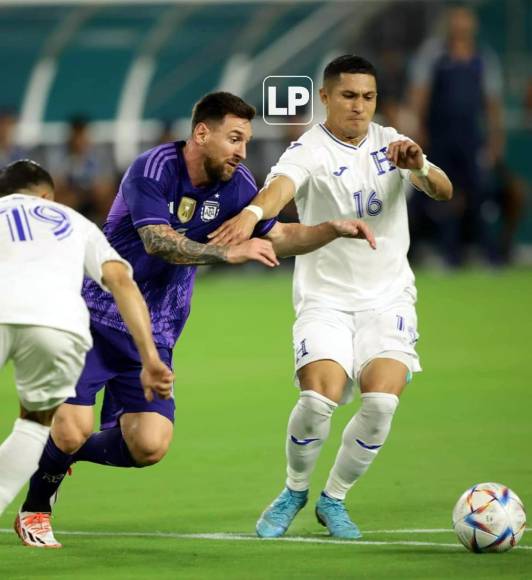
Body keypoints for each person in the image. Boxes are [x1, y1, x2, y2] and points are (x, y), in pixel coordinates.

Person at [17, 92, 375, 547]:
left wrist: (329, 230)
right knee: (73, 427)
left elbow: (278, 235)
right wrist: (227, 251)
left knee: (149, 445)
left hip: (155, 332)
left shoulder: (238, 184)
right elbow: (156, 241)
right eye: (234, 138)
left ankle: (52, 452)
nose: (242, 151)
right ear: (201, 133)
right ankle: (35, 508)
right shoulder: (152, 170)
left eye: (245, 140)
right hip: (94, 319)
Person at [210, 56, 452, 539]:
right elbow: (281, 188)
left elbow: (443, 191)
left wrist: (421, 164)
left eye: (367, 97)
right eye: (348, 96)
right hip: (326, 301)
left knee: (381, 403)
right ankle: (295, 489)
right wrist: (254, 211)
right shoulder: (310, 149)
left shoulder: (392, 145)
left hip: (389, 299)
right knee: (318, 400)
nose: (358, 107)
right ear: (325, 97)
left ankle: (333, 499)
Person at [0, 159, 173, 522]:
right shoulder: (73, 221)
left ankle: (42, 494)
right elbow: (121, 281)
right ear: (47, 196)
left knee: (140, 441)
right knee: (35, 425)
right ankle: (25, 504)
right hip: (57, 327)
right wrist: (150, 358)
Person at [408, 5, 504, 267]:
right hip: (440, 137)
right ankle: (447, 254)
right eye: (457, 22)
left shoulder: (484, 59)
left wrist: (495, 137)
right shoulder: (434, 56)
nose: (461, 27)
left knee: (477, 192)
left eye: (466, 22)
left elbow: (492, 103)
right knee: (441, 194)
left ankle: (487, 254)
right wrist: (417, 129)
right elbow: (420, 94)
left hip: (470, 137)